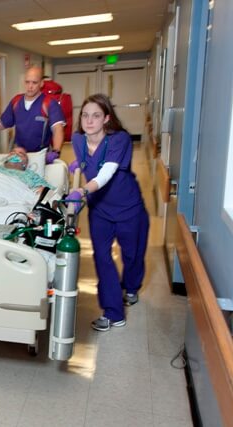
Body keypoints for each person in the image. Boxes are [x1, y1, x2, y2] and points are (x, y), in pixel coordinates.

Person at [68, 94, 149, 332]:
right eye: (85, 115)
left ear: (106, 119)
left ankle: (131, 287)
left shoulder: (120, 139)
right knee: (102, 259)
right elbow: (87, 166)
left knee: (132, 254)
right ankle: (113, 313)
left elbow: (105, 174)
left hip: (128, 208)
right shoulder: (77, 139)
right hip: (100, 209)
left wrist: (82, 189)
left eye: (96, 115)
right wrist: (77, 165)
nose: (89, 120)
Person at [0, 65, 65, 163]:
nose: (30, 86)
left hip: (40, 156)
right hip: (19, 155)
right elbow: (0, 124)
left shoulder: (48, 103)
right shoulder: (16, 101)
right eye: (27, 82)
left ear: (41, 83)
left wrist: (56, 151)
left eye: (34, 83)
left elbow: (58, 129)